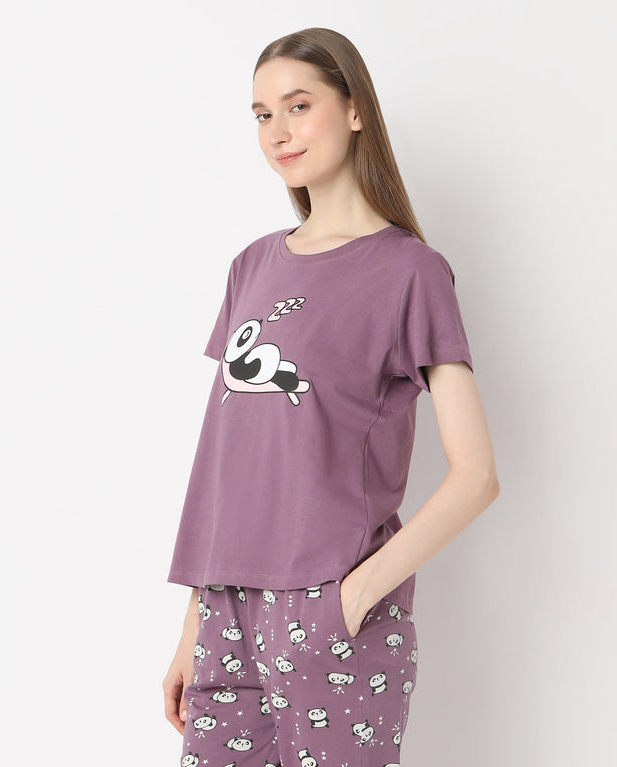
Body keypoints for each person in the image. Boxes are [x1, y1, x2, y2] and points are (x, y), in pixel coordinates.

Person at [162, 27, 500, 767]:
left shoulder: (410, 272)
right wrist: (194, 626)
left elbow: (476, 475)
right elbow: (227, 465)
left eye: (298, 105)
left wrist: (350, 598)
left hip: (332, 612)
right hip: (225, 611)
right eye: (262, 114)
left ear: (353, 110)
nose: (277, 132)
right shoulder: (252, 266)